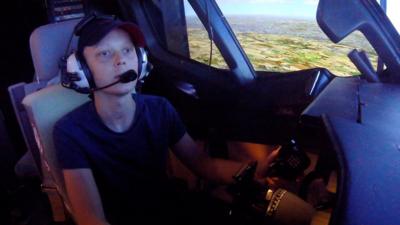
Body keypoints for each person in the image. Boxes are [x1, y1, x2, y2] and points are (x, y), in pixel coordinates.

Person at [53, 15, 279, 225]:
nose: (121, 60)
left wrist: (253, 170)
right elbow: (90, 219)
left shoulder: (159, 109)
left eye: (127, 50)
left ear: (140, 60)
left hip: (172, 210)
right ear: (82, 70)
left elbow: (204, 165)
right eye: (105, 53)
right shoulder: (70, 132)